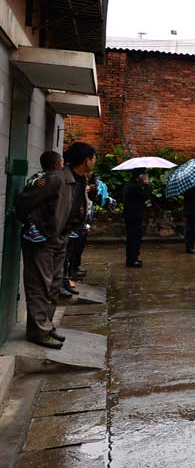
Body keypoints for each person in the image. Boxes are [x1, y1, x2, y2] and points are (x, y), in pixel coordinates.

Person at [15, 142, 94, 349]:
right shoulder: (56, 178)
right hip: (43, 239)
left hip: (61, 237)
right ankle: (38, 331)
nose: (95, 161)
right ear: (86, 160)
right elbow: (24, 202)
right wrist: (36, 227)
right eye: (93, 157)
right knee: (39, 285)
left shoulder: (79, 179)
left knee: (54, 285)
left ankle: (46, 326)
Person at [21, 151, 65, 243]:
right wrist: (35, 182)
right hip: (36, 211)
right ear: (56, 164)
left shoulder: (59, 178)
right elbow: (29, 182)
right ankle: (32, 231)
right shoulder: (41, 175)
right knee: (33, 213)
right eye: (62, 163)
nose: (63, 166)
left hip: (48, 220)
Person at [122, 169, 150, 268]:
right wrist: (147, 185)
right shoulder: (134, 187)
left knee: (133, 237)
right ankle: (132, 260)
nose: (146, 177)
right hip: (134, 216)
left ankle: (133, 258)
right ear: (139, 176)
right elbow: (146, 196)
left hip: (131, 215)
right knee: (134, 237)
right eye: (144, 175)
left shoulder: (130, 185)